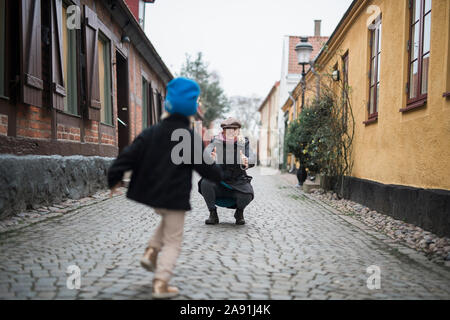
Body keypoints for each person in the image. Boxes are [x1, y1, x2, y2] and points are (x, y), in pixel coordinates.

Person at [107, 77, 223, 299]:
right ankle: (161, 283)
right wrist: (219, 174)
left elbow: (128, 156)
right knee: (173, 240)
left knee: (167, 223)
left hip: (154, 195)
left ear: (167, 105)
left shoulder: (151, 132)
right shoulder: (188, 137)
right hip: (174, 197)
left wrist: (114, 178)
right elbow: (205, 167)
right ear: (191, 108)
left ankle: (151, 251)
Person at [198, 118, 255, 225]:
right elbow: (206, 154)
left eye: (234, 129)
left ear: (238, 131)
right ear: (223, 131)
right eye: (228, 130)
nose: (231, 132)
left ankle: (239, 213)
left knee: (248, 195)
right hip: (219, 181)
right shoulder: (215, 141)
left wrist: (246, 161)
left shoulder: (244, 142)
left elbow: (251, 158)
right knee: (205, 182)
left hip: (238, 182)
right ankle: (213, 214)